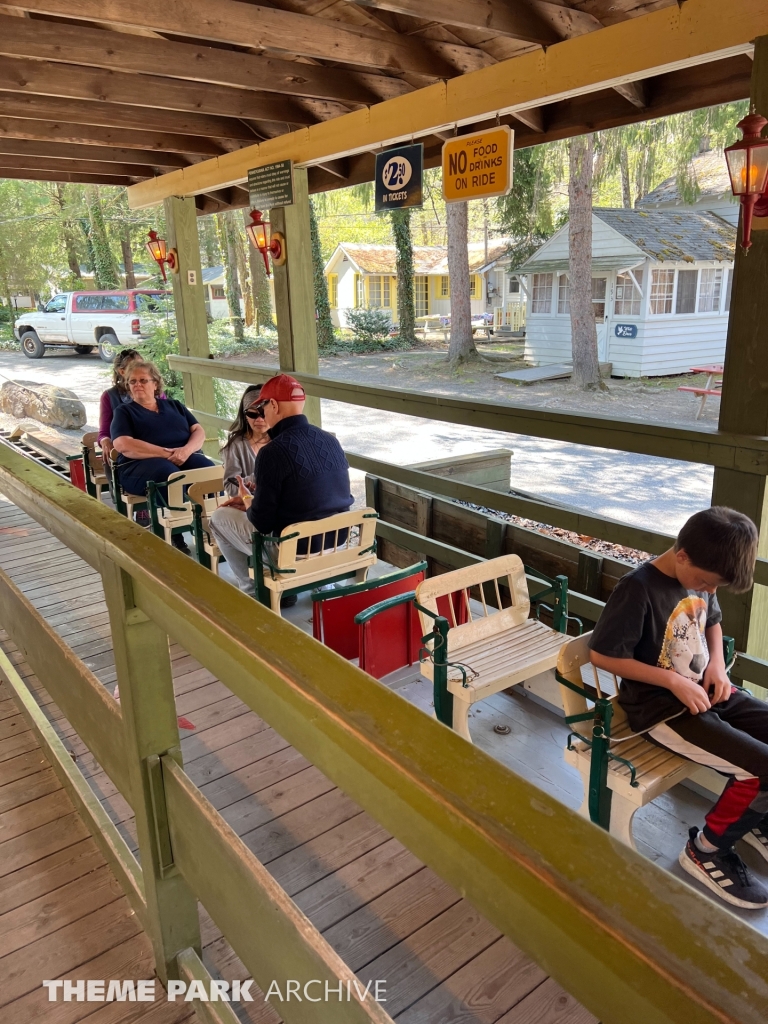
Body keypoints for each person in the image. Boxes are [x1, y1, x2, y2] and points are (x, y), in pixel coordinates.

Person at [589, 506, 768, 909]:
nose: (710, 590)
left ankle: (756, 820)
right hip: (662, 711)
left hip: (708, 692)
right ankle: (705, 851)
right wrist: (672, 679)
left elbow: (712, 623)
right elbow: (603, 655)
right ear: (682, 555)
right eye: (706, 582)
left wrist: (718, 666)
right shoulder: (637, 589)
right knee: (761, 769)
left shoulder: (701, 575)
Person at [209, 373, 353, 596]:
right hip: (336, 543)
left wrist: (248, 499)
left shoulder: (273, 452)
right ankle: (323, 584)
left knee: (218, 519)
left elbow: (262, 522)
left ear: (273, 405)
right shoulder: (329, 440)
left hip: (294, 551)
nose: (262, 414)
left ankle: (252, 591)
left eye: (263, 406)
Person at [110, 359, 215, 552]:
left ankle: (214, 526)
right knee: (169, 474)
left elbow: (198, 431)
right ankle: (176, 531)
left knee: (207, 470)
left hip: (182, 457)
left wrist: (186, 450)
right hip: (138, 467)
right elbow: (123, 444)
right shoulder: (124, 412)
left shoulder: (175, 406)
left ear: (155, 383)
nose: (137, 385)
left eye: (143, 380)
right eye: (132, 381)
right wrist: (165, 453)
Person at [220, 385, 269, 497]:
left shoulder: (283, 440)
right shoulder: (236, 446)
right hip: (250, 506)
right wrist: (260, 476)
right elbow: (230, 487)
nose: (259, 419)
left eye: (264, 413)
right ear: (245, 415)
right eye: (252, 414)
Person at [98, 348, 141, 460]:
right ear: (122, 372)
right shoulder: (109, 396)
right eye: (135, 367)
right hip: (126, 452)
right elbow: (104, 432)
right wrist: (105, 441)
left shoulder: (155, 392)